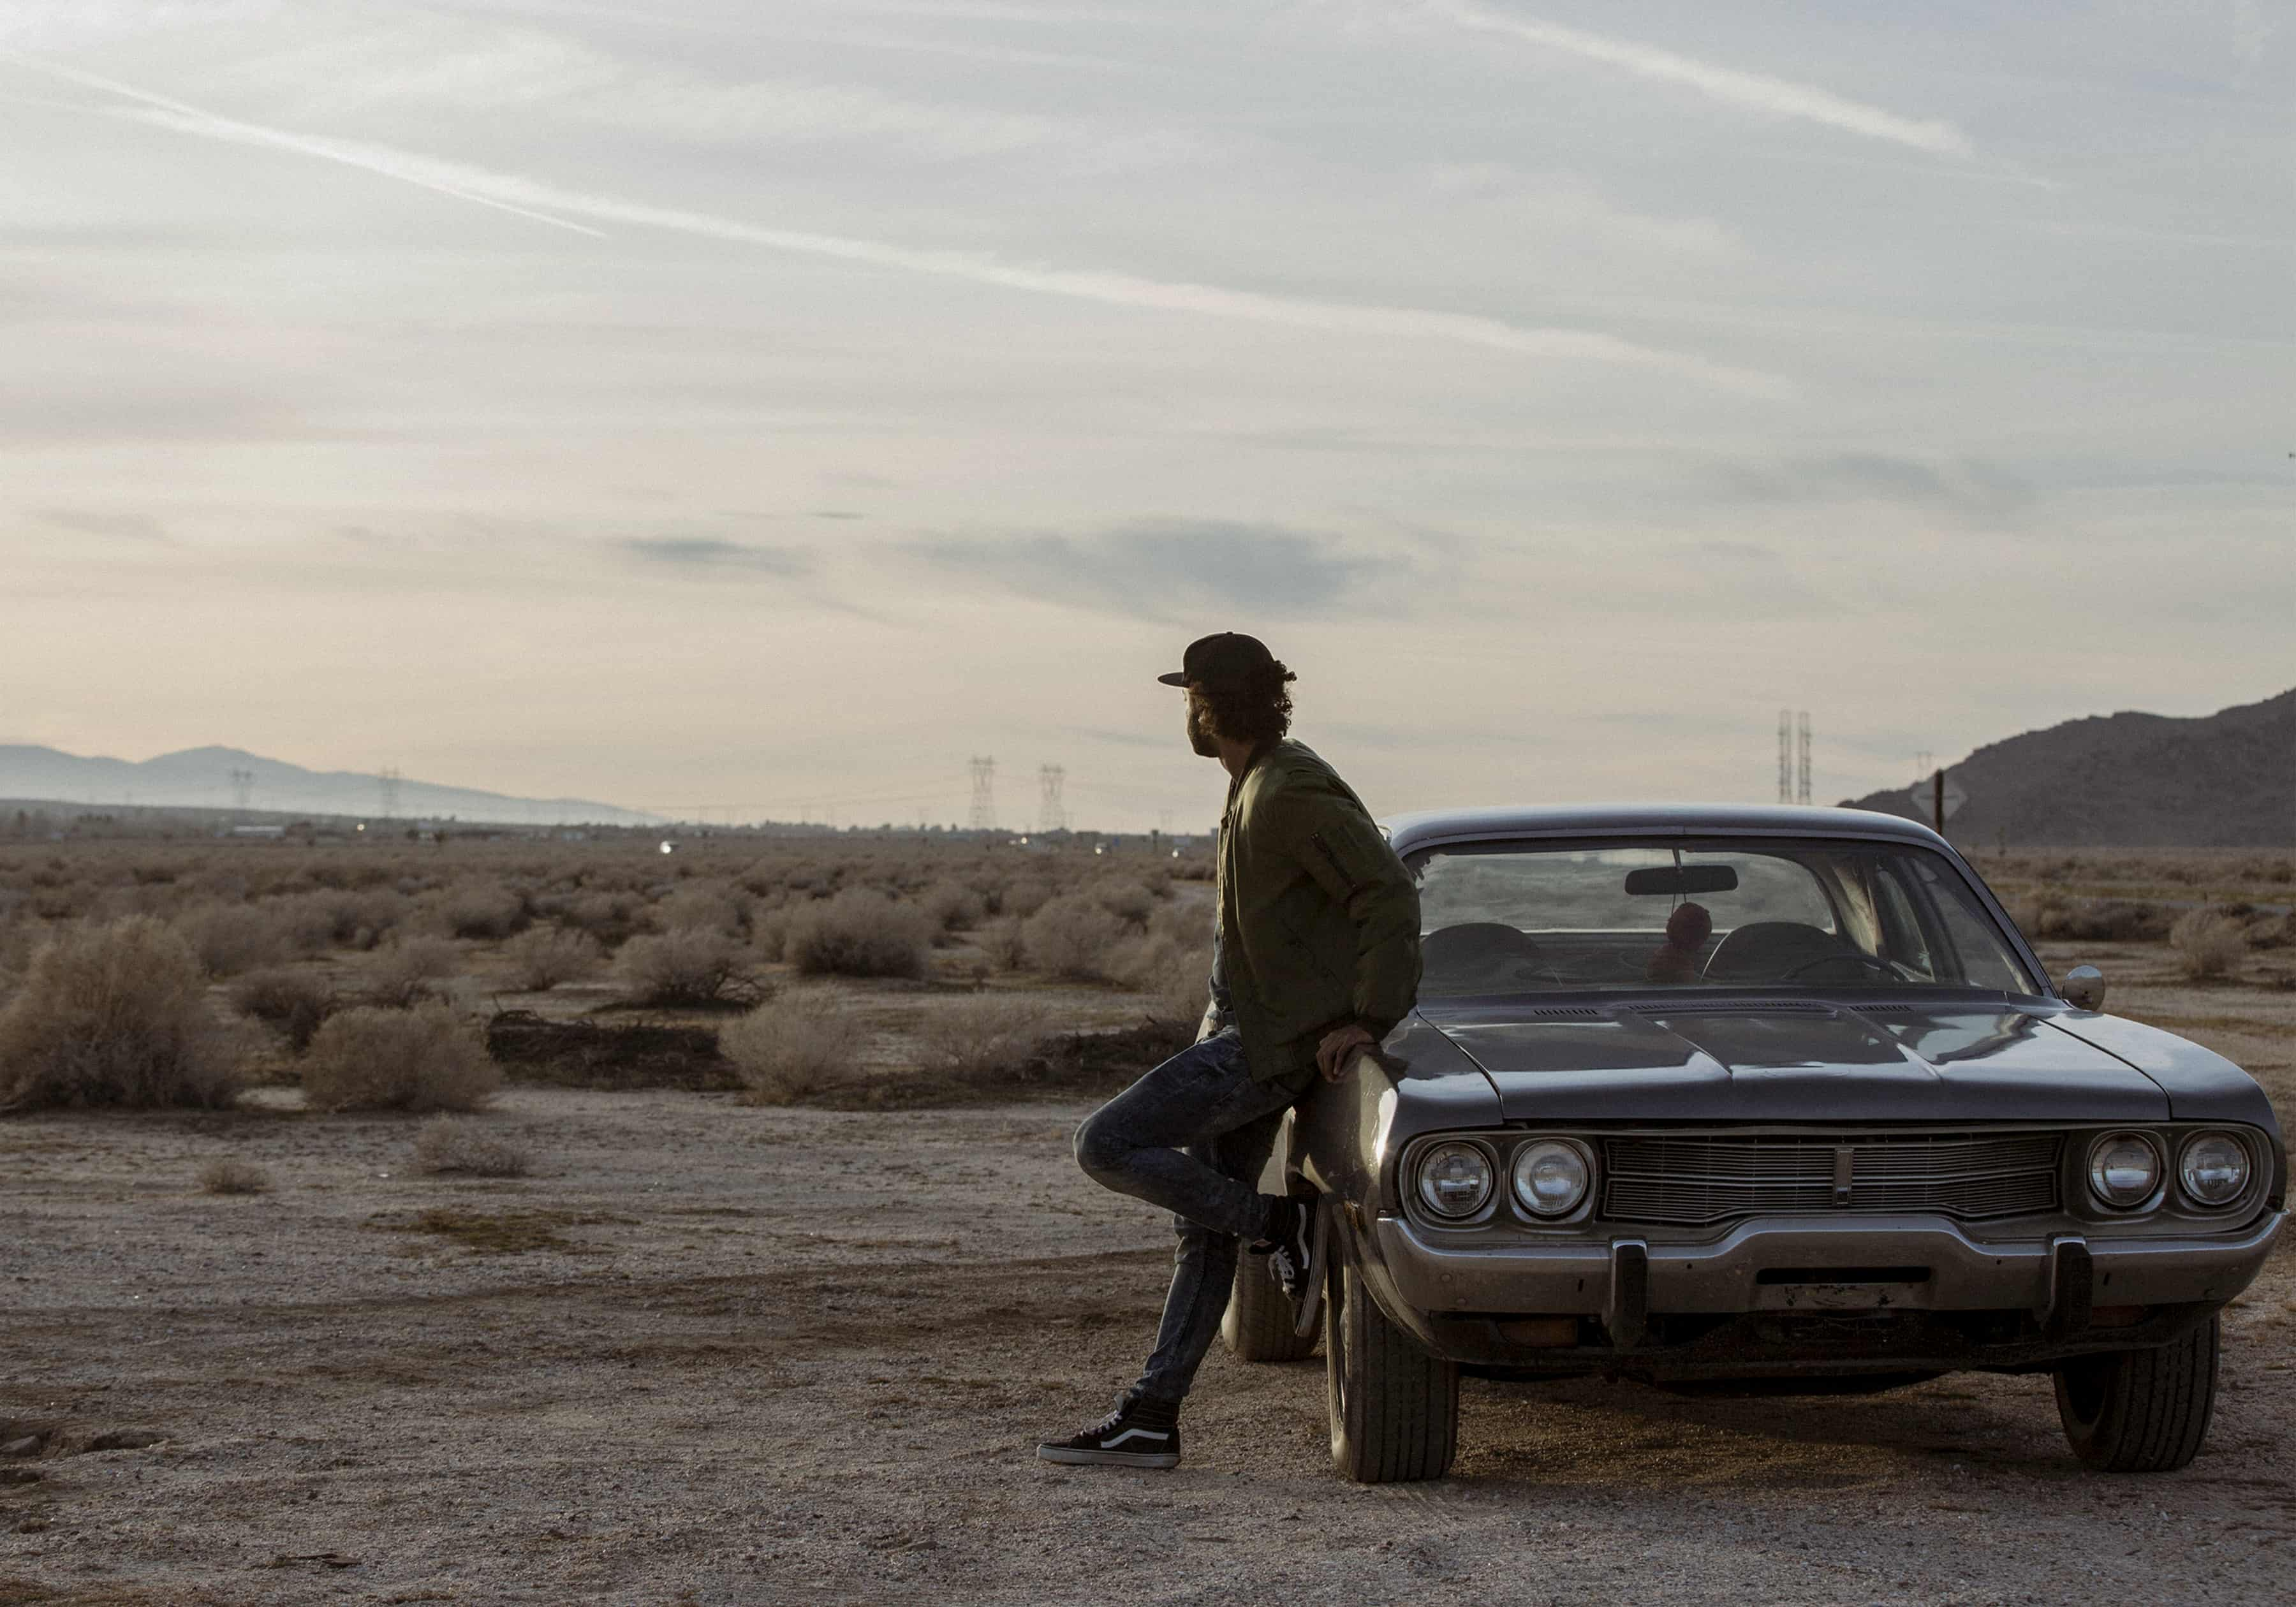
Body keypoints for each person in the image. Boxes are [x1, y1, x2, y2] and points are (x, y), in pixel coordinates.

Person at [1036, 632, 1420, 1470]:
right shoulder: (1258, 783)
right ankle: (1152, 1418)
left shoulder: (1289, 791)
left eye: (1191, 698)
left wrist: (1370, 1017)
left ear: (1211, 705)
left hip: (1265, 1046)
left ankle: (1281, 1223)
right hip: (1244, 1030)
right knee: (1201, 1226)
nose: (1186, 714)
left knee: (1103, 1144)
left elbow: (1386, 893)